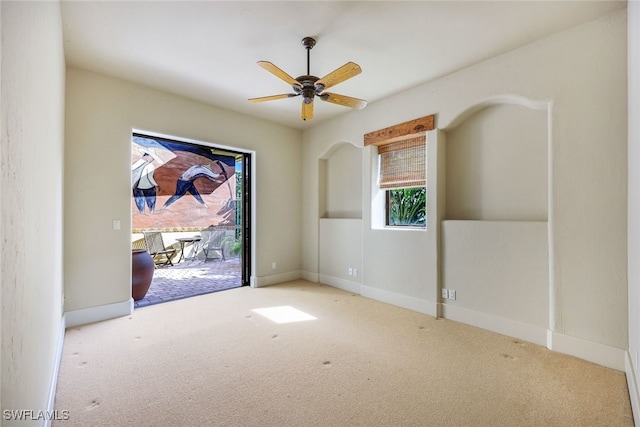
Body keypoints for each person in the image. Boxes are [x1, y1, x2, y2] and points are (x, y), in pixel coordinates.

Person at [162, 161, 227, 209]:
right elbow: (209, 176)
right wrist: (219, 178)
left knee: (196, 194)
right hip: (184, 182)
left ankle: (204, 205)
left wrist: (219, 178)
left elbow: (209, 176)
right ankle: (165, 206)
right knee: (178, 195)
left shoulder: (198, 167)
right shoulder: (201, 170)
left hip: (188, 182)